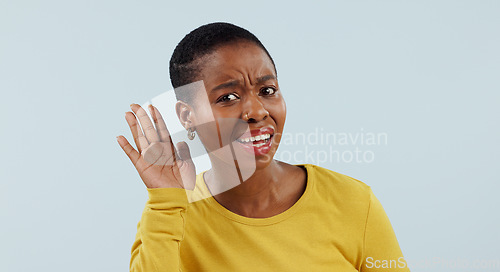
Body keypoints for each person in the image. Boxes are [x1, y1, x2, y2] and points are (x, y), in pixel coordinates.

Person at [116, 22, 410, 272]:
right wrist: (165, 201)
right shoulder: (170, 214)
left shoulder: (354, 202)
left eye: (267, 90)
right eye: (227, 97)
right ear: (188, 116)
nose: (256, 111)